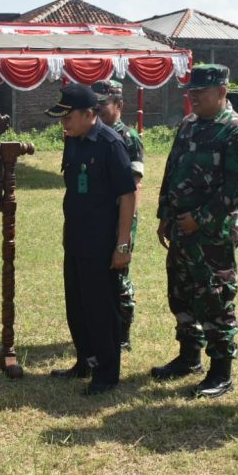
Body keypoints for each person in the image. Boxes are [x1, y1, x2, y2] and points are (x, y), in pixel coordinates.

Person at [153, 64, 238, 398]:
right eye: (190, 92)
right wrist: (165, 214)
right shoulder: (188, 125)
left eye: (201, 92)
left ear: (222, 91)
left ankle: (221, 372)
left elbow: (234, 189)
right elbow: (172, 170)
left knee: (214, 297)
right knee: (181, 294)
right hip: (181, 230)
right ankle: (188, 357)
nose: (193, 97)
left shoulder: (237, 131)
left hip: (213, 234)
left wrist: (199, 217)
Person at [46, 84, 137, 396]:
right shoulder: (73, 141)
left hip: (101, 241)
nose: (64, 124)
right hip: (76, 237)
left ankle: (107, 373)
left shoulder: (110, 143)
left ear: (89, 114)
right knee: (77, 305)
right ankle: (84, 361)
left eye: (67, 117)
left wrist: (122, 245)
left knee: (101, 308)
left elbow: (127, 194)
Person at [92, 79, 145, 351]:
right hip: (98, 217)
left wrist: (126, 232)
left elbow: (133, 186)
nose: (97, 109)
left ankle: (122, 332)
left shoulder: (128, 138)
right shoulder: (93, 134)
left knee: (119, 273)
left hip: (121, 217)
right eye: (95, 104)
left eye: (103, 104)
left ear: (119, 105)